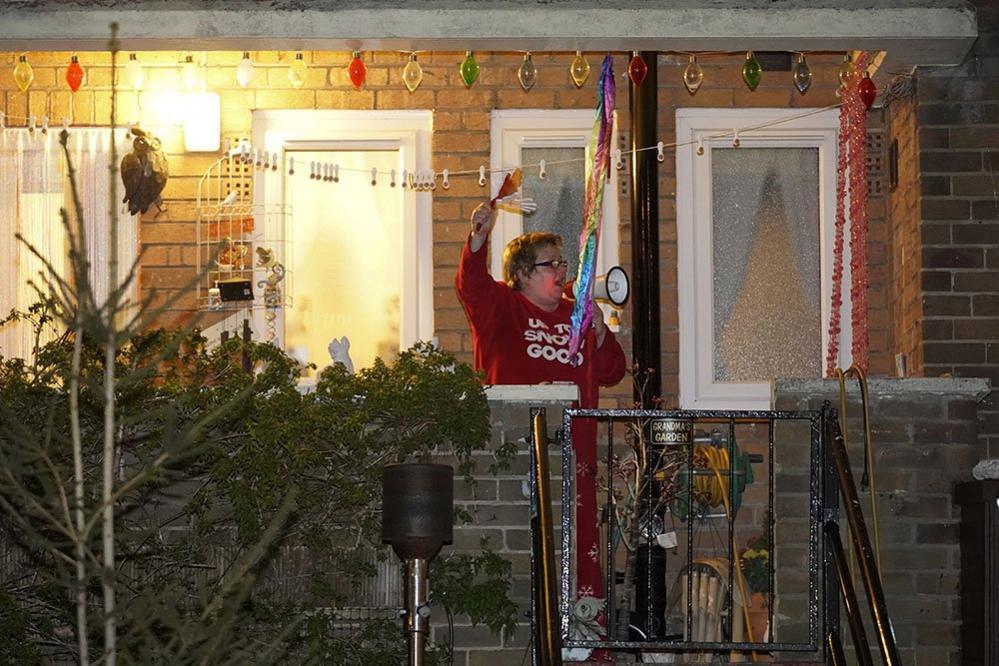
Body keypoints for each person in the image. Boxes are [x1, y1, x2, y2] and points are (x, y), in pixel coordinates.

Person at [455, 201, 626, 656]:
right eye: (554, 263)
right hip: (519, 451)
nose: (563, 271)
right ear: (525, 274)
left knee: (581, 543)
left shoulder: (576, 316)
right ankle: (530, 641)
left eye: (563, 262)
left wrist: (602, 331)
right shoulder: (503, 308)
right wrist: (478, 238)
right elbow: (470, 285)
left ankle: (586, 642)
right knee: (529, 542)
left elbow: (613, 372)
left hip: (577, 451)